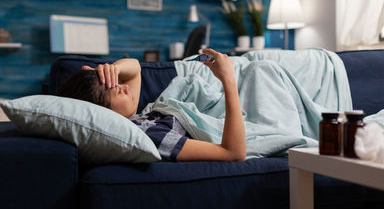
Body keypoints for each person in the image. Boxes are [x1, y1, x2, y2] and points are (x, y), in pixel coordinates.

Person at [57, 49, 246, 162]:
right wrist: (228, 79)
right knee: (261, 72)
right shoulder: (148, 137)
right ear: (102, 113)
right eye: (117, 91)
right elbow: (233, 153)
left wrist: (114, 68)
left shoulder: (128, 118)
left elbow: (135, 70)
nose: (124, 86)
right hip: (227, 104)